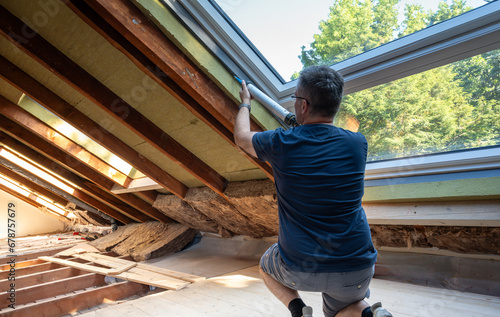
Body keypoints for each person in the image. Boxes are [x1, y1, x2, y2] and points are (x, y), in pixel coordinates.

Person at [234, 65, 393, 317]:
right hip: (357, 265)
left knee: (266, 265)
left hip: (299, 269)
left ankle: (298, 310)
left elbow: (242, 137)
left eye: (296, 97)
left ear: (304, 105)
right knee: (344, 307)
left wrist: (245, 103)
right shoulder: (357, 143)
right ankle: (369, 314)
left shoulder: (280, 143)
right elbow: (321, 143)